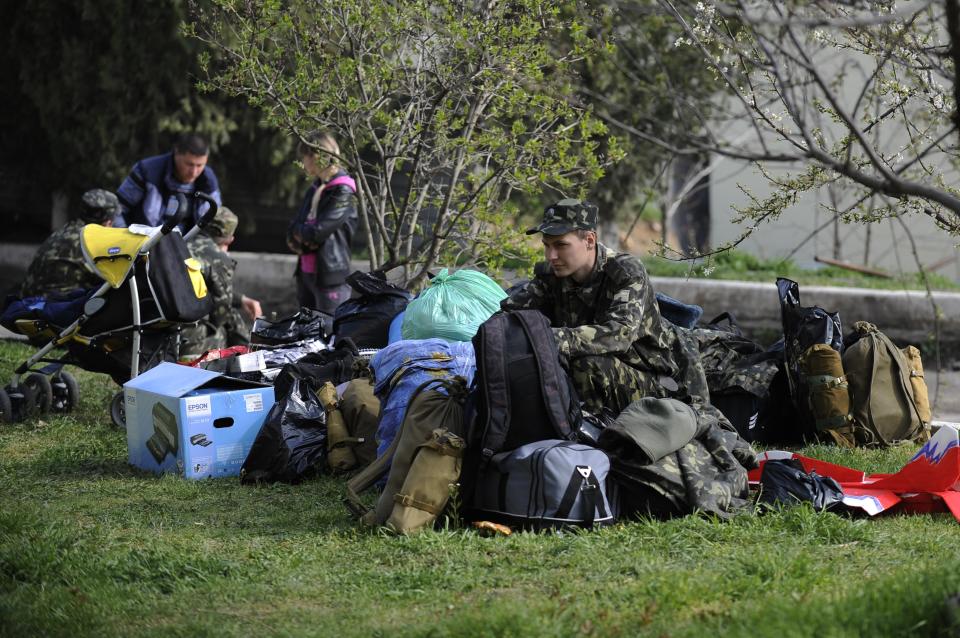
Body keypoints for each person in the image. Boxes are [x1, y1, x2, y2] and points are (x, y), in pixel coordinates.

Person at [501, 198, 708, 415]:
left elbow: (619, 334)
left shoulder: (625, 272)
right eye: (546, 245)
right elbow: (508, 314)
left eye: (561, 245)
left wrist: (546, 338)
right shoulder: (552, 275)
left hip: (650, 378)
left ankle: (594, 440)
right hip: (601, 370)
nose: (551, 256)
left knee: (586, 366)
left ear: (589, 240)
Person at [287, 131, 359, 314]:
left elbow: (317, 232)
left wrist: (303, 232)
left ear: (316, 156)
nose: (303, 163)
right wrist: (301, 232)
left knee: (329, 330)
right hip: (306, 273)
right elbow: (294, 226)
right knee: (305, 332)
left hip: (329, 277)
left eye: (304, 157)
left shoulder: (343, 190)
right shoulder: (317, 186)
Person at [180, 206, 262, 357]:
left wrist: (241, 300)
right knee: (227, 323)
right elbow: (221, 312)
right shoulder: (218, 258)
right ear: (229, 238)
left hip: (165, 332)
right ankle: (250, 356)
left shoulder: (182, 243)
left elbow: (197, 285)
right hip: (189, 340)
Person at [21, 189, 120, 298]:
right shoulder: (93, 242)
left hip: (28, 304)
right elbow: (112, 281)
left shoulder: (62, 232)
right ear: (108, 222)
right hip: (59, 309)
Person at [114, 133, 221, 230]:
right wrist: (125, 238)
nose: (194, 172)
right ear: (176, 154)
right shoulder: (147, 171)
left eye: (199, 165)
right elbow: (117, 208)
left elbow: (214, 221)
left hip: (187, 246)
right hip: (144, 243)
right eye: (189, 164)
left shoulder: (208, 181)